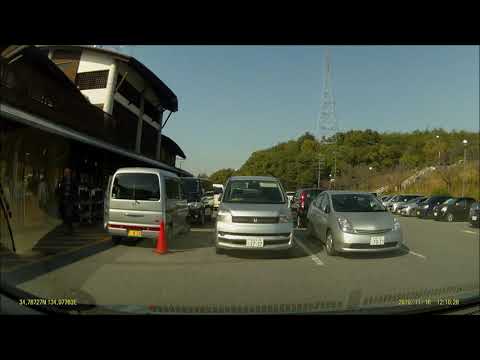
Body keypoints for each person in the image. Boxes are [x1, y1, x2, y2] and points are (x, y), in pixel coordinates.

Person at [56, 168, 79, 235]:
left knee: (68, 214)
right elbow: (59, 189)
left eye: (67, 172)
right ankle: (69, 228)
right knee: (64, 215)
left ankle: (69, 229)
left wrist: (75, 198)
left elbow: (75, 189)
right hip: (63, 200)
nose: (66, 173)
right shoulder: (62, 180)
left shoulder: (72, 180)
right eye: (65, 172)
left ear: (69, 173)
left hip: (70, 200)